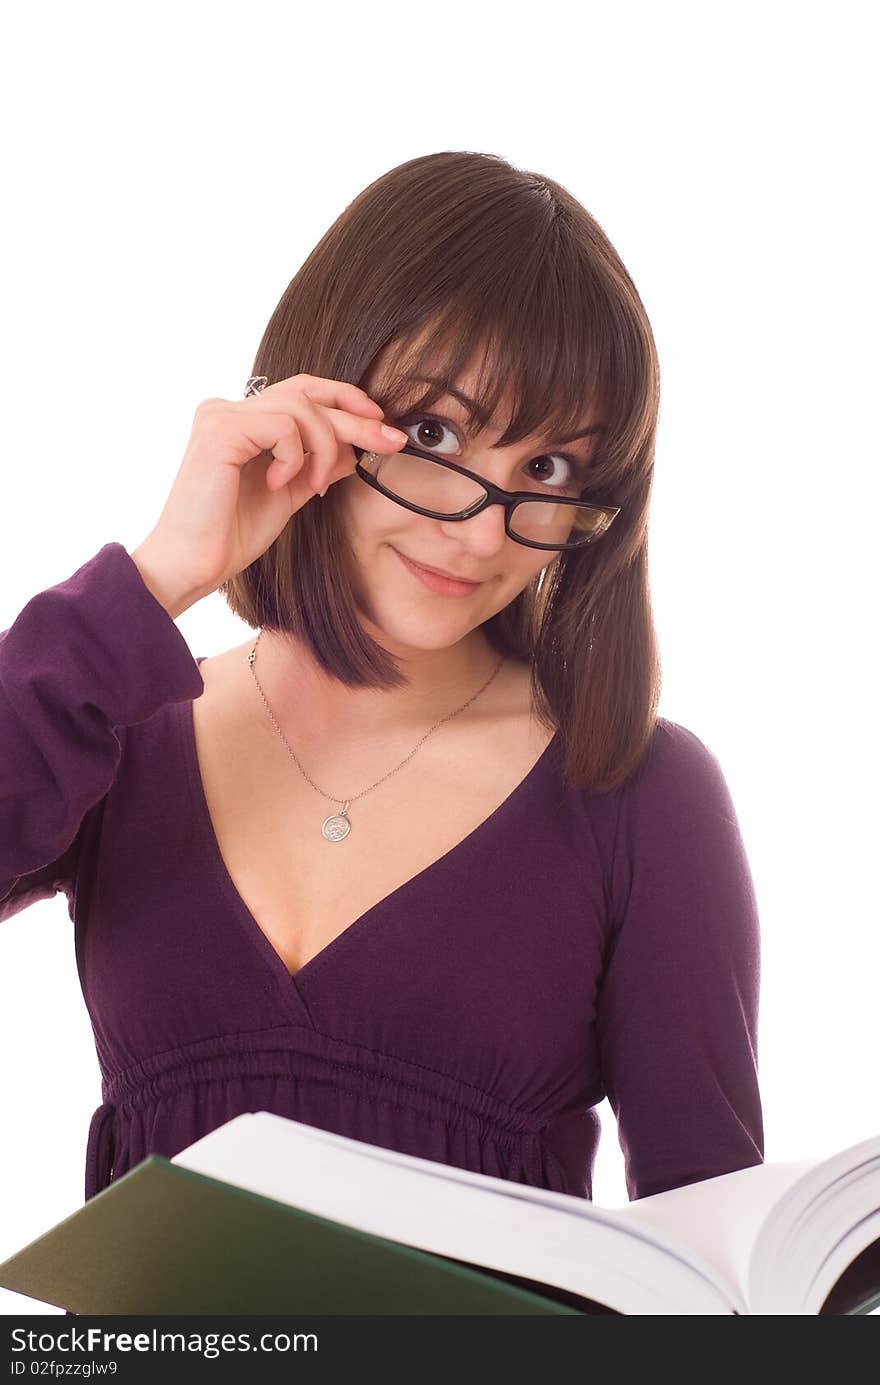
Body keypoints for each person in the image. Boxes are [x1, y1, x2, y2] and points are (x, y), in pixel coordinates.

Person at [0, 151, 764, 1214]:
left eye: (546, 471)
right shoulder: (121, 726)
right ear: (317, 398)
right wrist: (162, 572)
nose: (480, 527)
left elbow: (715, 1247)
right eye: (435, 432)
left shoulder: (636, 792)